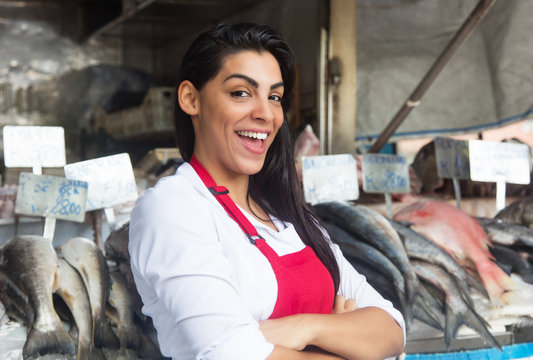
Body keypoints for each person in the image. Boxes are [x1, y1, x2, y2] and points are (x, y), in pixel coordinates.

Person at [128, 23, 405, 360]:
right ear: (190, 99)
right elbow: (229, 353)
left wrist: (305, 328)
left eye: (274, 97)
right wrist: (346, 342)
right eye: (241, 93)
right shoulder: (174, 207)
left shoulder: (290, 216)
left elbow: (391, 329)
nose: (265, 114)